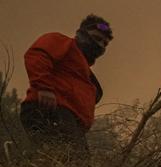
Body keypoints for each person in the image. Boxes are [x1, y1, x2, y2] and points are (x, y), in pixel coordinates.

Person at [20, 15, 113, 155]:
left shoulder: (85, 73)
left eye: (104, 43)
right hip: (53, 110)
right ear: (82, 33)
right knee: (68, 163)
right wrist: (44, 88)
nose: (100, 45)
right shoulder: (62, 42)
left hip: (71, 122)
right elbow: (37, 55)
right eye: (97, 38)